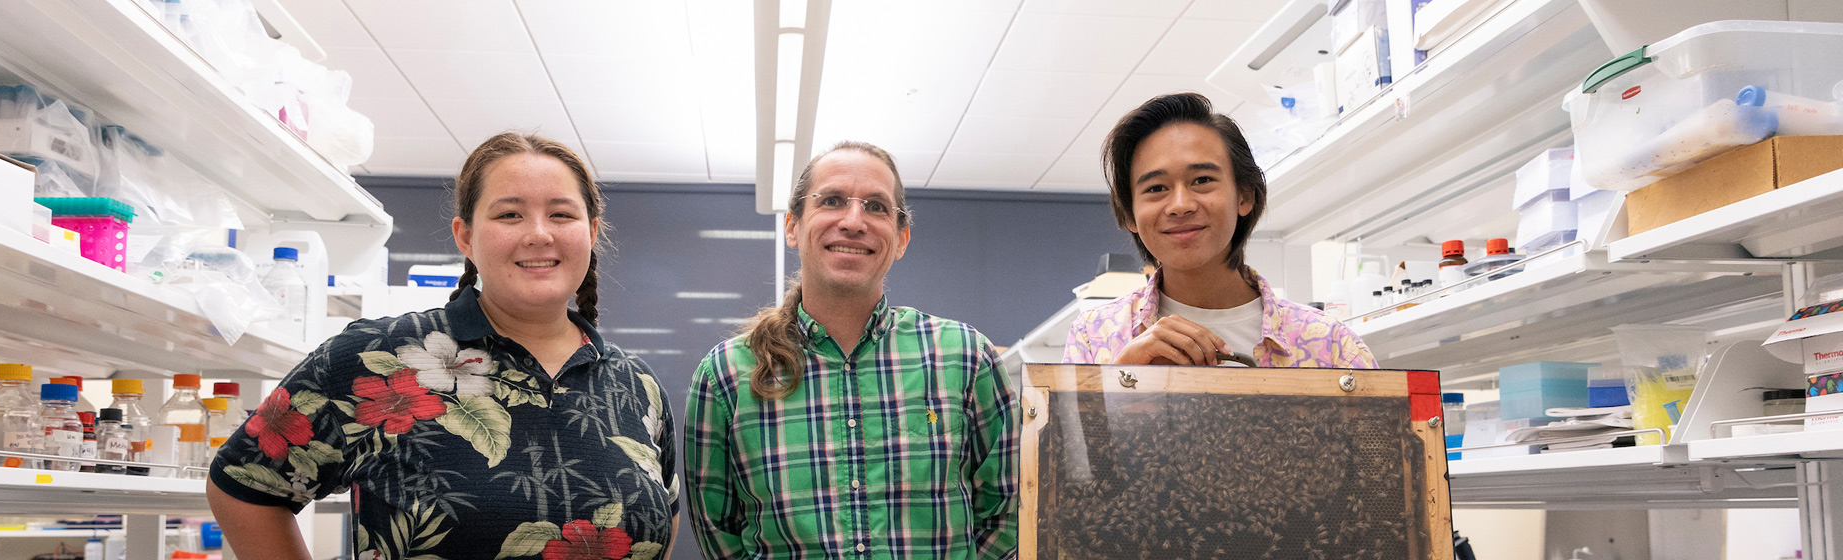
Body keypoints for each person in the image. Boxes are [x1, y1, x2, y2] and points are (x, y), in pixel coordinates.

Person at [207, 133, 679, 560]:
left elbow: (663, 520)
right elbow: (244, 486)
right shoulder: (373, 357)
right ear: (466, 237)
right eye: (509, 214)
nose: (539, 233)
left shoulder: (635, 385)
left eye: (561, 213)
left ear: (591, 233)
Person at [683, 141, 1018, 559]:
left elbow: (1007, 516)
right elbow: (720, 535)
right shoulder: (725, 375)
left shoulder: (966, 359)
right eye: (832, 200)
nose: (854, 221)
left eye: (876, 206)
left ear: (901, 239)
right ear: (792, 226)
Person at [1064, 93, 1376, 368]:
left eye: (1202, 180)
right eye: (1156, 187)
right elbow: (1062, 437)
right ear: (1130, 214)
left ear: (1245, 196)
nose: (1180, 205)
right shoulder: (1094, 336)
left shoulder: (1330, 344)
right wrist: (1122, 377)